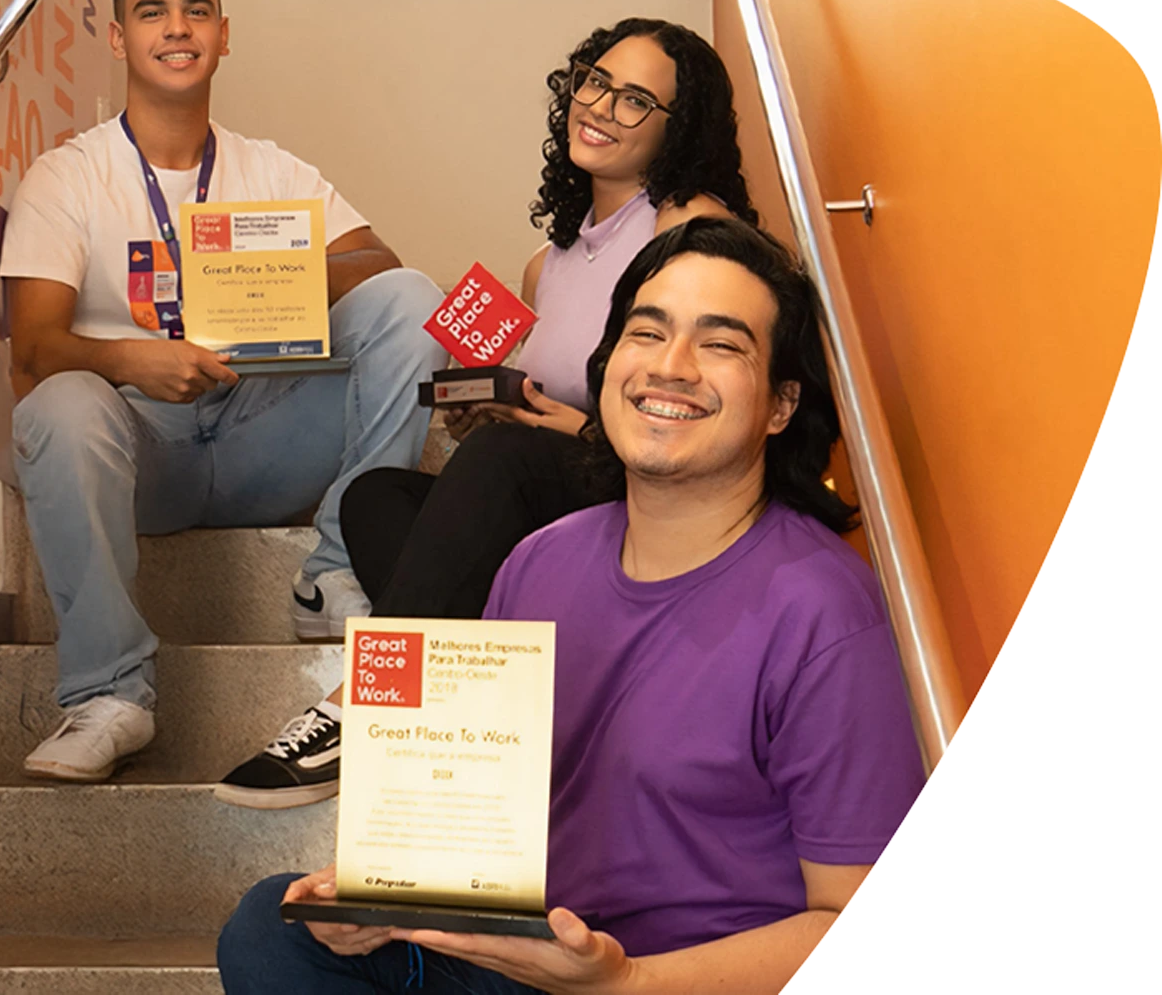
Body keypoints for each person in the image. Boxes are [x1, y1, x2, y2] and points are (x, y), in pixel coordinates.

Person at [215, 217, 926, 994]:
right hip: (534, 957)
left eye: (721, 344)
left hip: (680, 978)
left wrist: (626, 981)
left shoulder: (824, 612)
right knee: (273, 929)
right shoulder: (541, 560)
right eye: (646, 333)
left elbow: (861, 924)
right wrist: (379, 890)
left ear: (781, 404)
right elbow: (476, 815)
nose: (671, 366)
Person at [216, 17, 759, 809]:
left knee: (504, 462)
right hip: (551, 489)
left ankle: (362, 705)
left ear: (680, 129)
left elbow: (705, 403)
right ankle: (471, 701)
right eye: (595, 81)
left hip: (644, 492)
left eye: (636, 99)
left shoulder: (690, 230)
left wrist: (566, 431)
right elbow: (538, 410)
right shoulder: (549, 261)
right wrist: (490, 411)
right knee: (376, 496)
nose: (601, 107)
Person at [1, 0, 446, 782]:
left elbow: (378, 263)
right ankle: (109, 695)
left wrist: (273, 272)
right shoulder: (68, 176)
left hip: (259, 432)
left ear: (223, 32)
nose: (177, 28)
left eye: (196, 10)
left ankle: (332, 572)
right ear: (119, 36)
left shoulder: (269, 169)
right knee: (56, 401)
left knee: (413, 297)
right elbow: (34, 350)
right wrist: (134, 360)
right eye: (153, 12)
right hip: (143, 454)